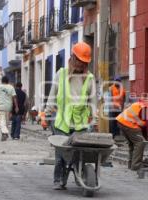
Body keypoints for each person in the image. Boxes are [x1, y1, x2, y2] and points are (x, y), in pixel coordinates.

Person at [45, 42, 97, 190]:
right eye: (79, 60)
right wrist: (47, 113)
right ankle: (59, 179)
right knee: (61, 154)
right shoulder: (61, 74)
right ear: (73, 58)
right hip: (62, 122)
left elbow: (93, 101)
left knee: (80, 153)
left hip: (80, 124)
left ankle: (81, 175)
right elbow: (52, 95)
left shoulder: (90, 78)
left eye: (84, 62)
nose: (81, 64)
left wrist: (95, 120)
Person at [116, 95, 148, 171]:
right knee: (139, 143)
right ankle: (136, 166)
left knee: (133, 144)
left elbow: (144, 126)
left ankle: (131, 165)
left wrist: (147, 137)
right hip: (128, 123)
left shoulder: (147, 103)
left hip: (121, 121)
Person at [0, 76, 19, 141]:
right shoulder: (11, 87)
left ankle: (5, 132)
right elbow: (14, 97)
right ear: (8, 81)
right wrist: (16, 107)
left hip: (1, 106)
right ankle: (4, 134)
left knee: (1, 121)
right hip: (9, 107)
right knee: (6, 121)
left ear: (2, 81)